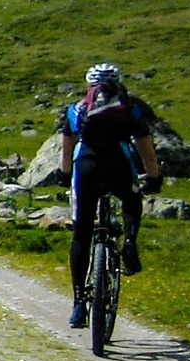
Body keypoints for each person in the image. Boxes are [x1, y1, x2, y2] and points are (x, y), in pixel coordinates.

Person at [56, 62, 164, 328]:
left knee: (82, 232)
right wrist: (154, 176)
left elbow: (67, 153)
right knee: (131, 198)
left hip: (87, 167)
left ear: (89, 85)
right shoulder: (130, 108)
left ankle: (79, 303)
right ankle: (130, 242)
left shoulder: (76, 110)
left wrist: (63, 174)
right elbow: (145, 148)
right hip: (118, 165)